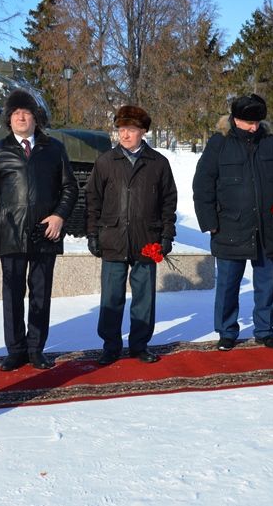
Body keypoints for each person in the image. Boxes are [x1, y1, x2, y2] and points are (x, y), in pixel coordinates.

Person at [0, 89, 78, 371]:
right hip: (9, 234)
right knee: (12, 296)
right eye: (16, 113)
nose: (21, 116)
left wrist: (59, 217)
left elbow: (70, 187)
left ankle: (36, 348)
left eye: (27, 112)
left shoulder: (54, 148)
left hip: (45, 233)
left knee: (40, 293)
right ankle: (15, 350)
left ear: (36, 118)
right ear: (9, 119)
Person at [192, 93, 273, 351]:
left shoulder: (270, 143)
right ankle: (227, 331)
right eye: (249, 122)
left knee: (266, 283)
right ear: (235, 119)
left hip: (267, 225)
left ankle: (264, 329)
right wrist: (209, 221)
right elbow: (203, 183)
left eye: (257, 122)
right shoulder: (219, 143)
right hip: (229, 225)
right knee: (228, 285)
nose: (254, 127)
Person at [86, 105, 178, 365]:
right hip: (113, 239)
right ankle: (110, 345)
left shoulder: (158, 163)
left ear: (143, 131)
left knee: (144, 298)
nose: (125, 135)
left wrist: (166, 236)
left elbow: (168, 202)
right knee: (112, 297)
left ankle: (140, 345)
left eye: (131, 130)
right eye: (121, 130)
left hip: (146, 239)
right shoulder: (105, 161)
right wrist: (93, 234)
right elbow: (93, 200)